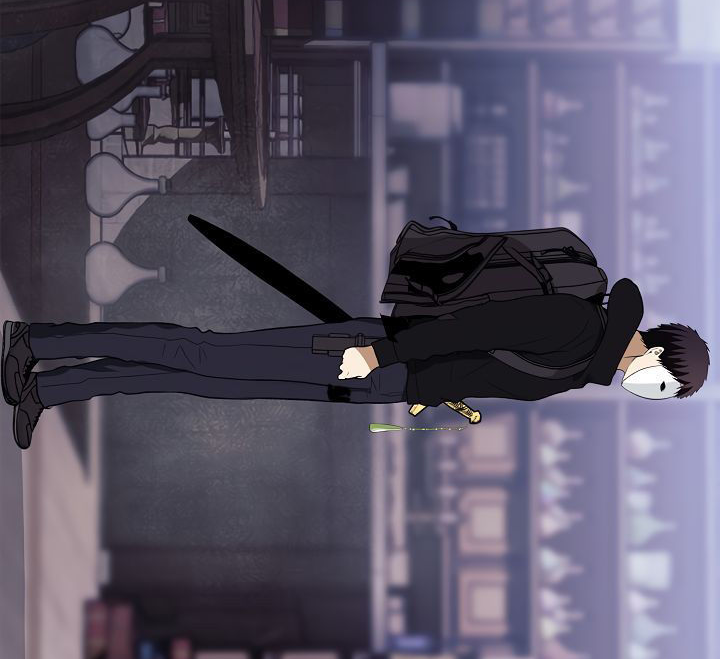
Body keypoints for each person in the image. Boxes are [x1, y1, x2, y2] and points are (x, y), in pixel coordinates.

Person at [1, 223, 709, 450]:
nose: (656, 395)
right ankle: (37, 341)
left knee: (203, 379)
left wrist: (435, 391)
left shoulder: (585, 363)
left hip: (384, 382)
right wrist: (384, 351)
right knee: (205, 352)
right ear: (659, 356)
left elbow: (485, 360)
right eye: (668, 387)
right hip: (372, 357)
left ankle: (53, 389)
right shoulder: (580, 327)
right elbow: (475, 326)